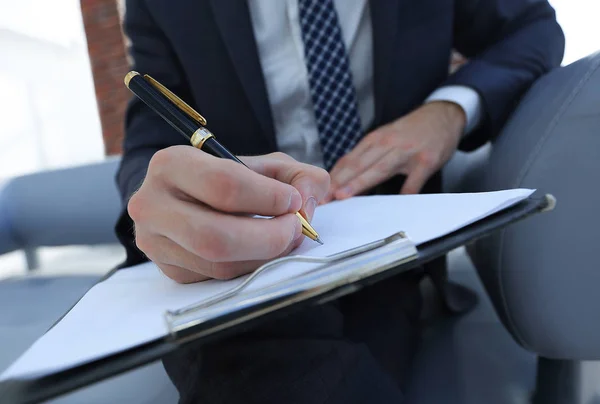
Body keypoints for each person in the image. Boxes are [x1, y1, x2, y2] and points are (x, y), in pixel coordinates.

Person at [115, 0, 565, 402]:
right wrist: (162, 200)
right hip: (238, 260)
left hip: (388, 246)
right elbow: (151, 134)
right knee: (248, 343)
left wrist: (448, 111)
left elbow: (532, 29)